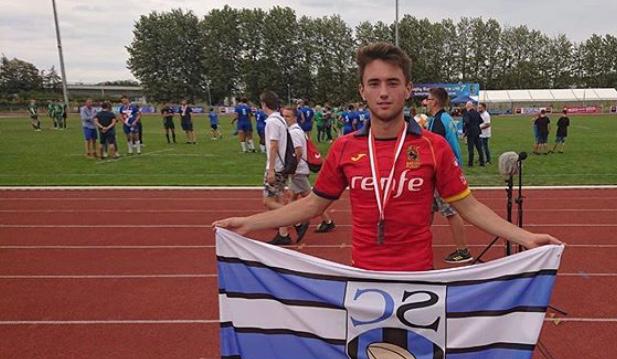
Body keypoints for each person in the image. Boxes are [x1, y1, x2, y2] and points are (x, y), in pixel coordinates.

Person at [213, 42, 561, 272]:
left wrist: (525, 238)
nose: (383, 92)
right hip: (363, 276)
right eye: (374, 83)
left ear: (408, 89)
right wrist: (250, 223)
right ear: (362, 90)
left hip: (418, 277)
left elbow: (470, 208)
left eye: (393, 83)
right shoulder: (345, 147)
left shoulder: (433, 147)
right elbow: (313, 205)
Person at [425, 87, 473, 264]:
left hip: (443, 173)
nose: (425, 102)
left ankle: (463, 250)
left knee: (451, 211)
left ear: (435, 102)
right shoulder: (443, 118)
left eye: (428, 99)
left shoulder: (438, 121)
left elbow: (435, 150)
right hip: (444, 170)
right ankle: (417, 243)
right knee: (426, 210)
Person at [257, 91, 309, 245]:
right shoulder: (280, 120)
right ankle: (283, 233)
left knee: (268, 201)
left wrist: (271, 169)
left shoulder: (273, 122)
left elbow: (273, 145)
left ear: (264, 104)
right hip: (282, 166)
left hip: (277, 168)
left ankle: (297, 221)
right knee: (277, 198)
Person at [283, 105, 336, 234]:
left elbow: (298, 152)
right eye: (283, 116)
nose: (285, 119)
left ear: (295, 117)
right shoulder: (297, 130)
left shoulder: (294, 132)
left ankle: (327, 221)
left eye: (288, 116)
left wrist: (291, 169)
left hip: (298, 170)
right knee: (291, 197)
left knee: (312, 201)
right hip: (300, 169)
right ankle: (285, 223)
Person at [462, 101, 484, 166]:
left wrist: (464, 132)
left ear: (467, 106)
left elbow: (466, 122)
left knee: (471, 149)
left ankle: (470, 163)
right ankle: (482, 162)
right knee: (479, 148)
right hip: (477, 132)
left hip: (470, 132)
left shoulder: (467, 113)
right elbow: (481, 121)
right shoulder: (477, 113)